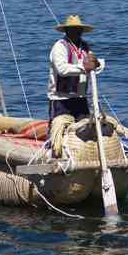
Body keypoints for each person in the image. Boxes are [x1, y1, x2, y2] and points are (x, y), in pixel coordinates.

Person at [47, 14, 102, 157]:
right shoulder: (59, 47)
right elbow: (62, 69)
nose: (77, 32)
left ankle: (83, 157)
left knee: (84, 132)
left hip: (80, 98)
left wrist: (97, 64)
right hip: (61, 99)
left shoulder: (84, 46)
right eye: (73, 30)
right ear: (66, 31)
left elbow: (94, 64)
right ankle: (56, 158)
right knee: (59, 133)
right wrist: (84, 67)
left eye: (79, 30)